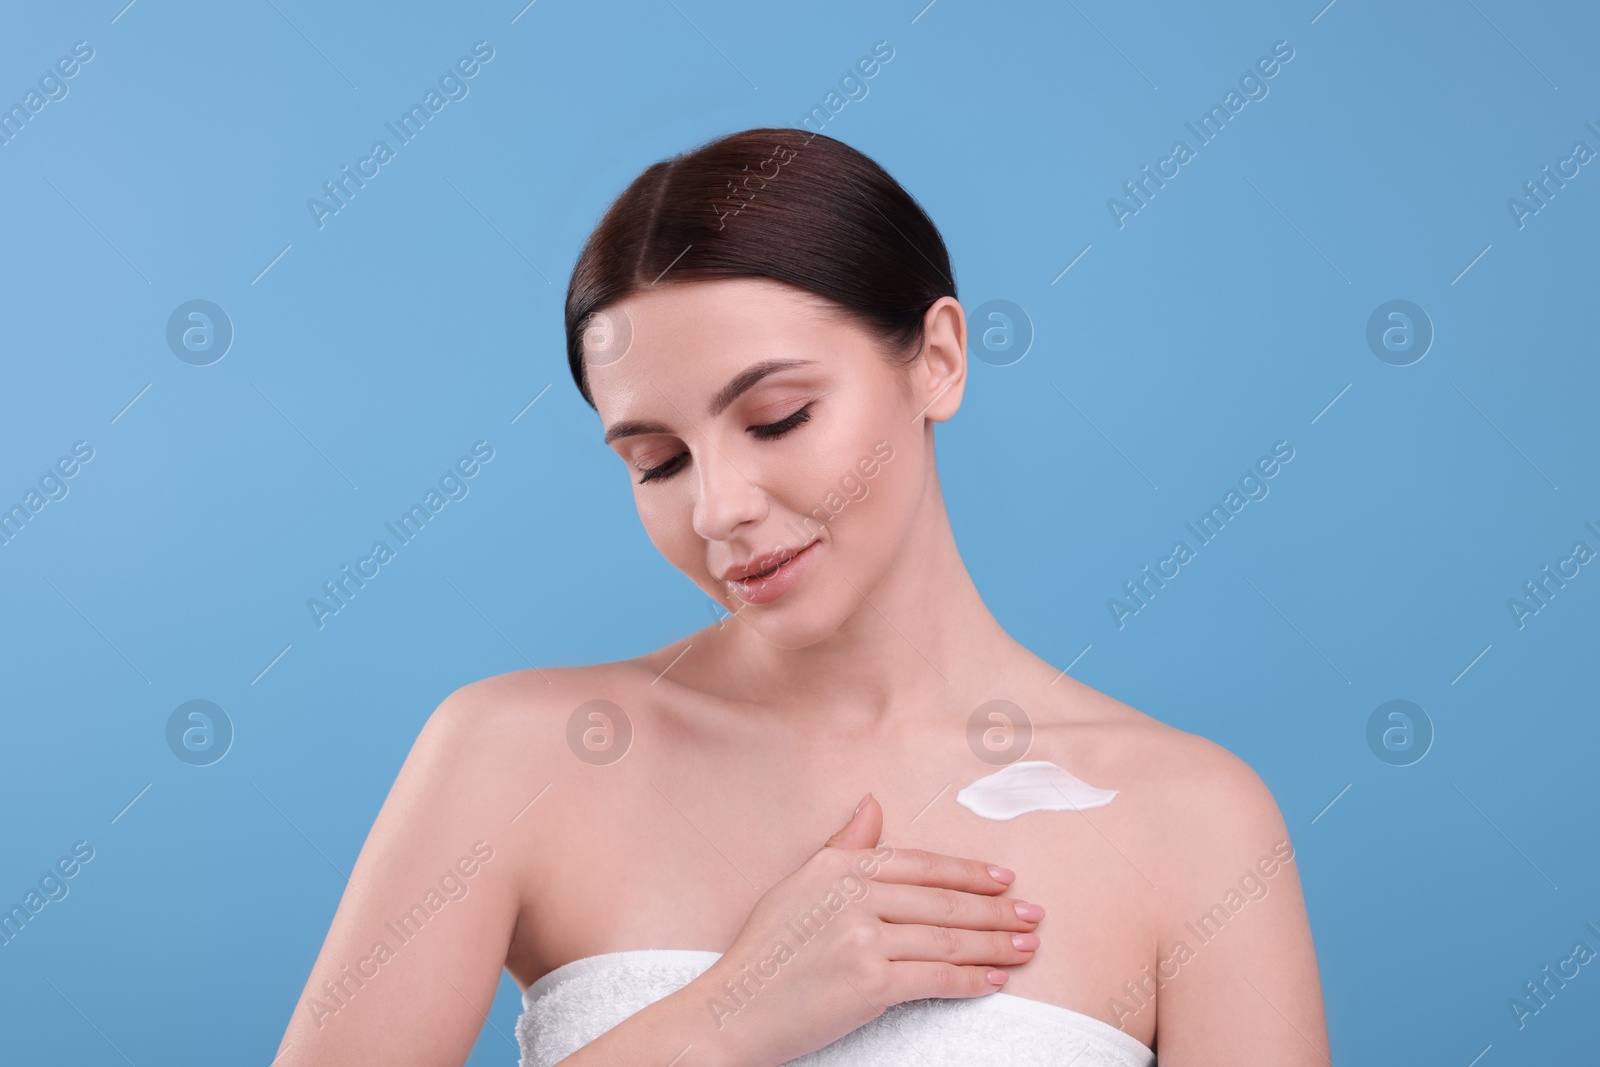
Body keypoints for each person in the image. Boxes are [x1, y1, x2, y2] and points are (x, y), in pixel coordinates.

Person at [273, 128, 1328, 1066]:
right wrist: (728, 1014)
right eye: (656, 462)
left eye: (776, 418)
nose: (719, 507)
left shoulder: (1190, 823)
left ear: (941, 361)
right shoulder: (515, 756)